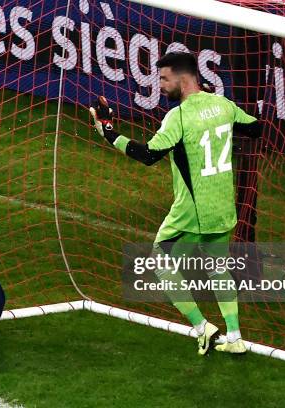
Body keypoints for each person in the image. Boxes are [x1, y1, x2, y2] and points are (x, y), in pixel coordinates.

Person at [89, 52, 261, 355]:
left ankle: (202, 328)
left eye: (164, 79)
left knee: (158, 261)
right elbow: (255, 128)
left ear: (183, 79)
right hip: (223, 207)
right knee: (217, 268)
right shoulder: (223, 105)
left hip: (192, 213)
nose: (161, 85)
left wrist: (109, 133)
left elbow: (148, 155)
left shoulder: (178, 117)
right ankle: (234, 337)